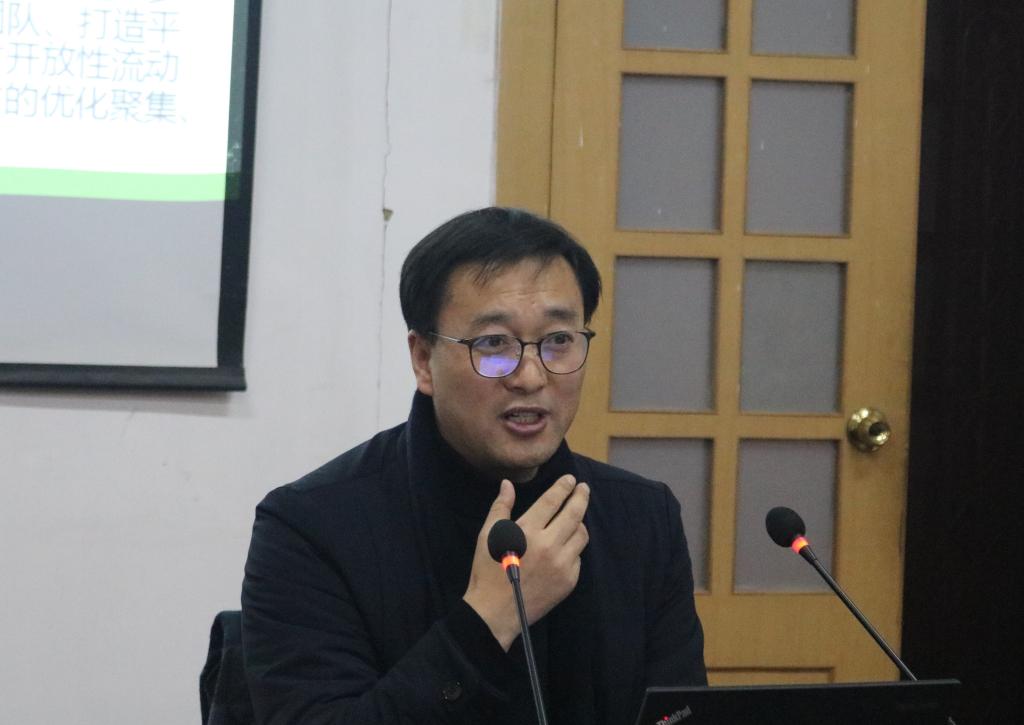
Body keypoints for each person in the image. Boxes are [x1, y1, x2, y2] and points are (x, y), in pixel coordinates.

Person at [241, 207, 706, 725]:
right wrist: (488, 620)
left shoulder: (642, 519)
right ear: (423, 360)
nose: (530, 376)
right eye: (493, 344)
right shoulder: (310, 527)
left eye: (558, 341)